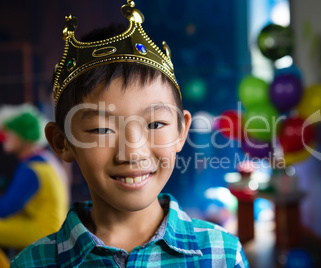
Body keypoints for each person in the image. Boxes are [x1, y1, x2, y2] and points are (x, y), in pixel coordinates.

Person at [11, 1, 249, 267]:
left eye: (155, 124)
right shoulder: (32, 263)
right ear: (61, 141)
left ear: (182, 131)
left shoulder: (222, 255)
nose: (133, 152)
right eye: (102, 129)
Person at [0, 104, 69, 250]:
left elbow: (6, 208)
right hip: (53, 227)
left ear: (24, 134)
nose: (4, 137)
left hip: (45, 231)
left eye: (9, 132)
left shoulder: (32, 168)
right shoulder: (43, 158)